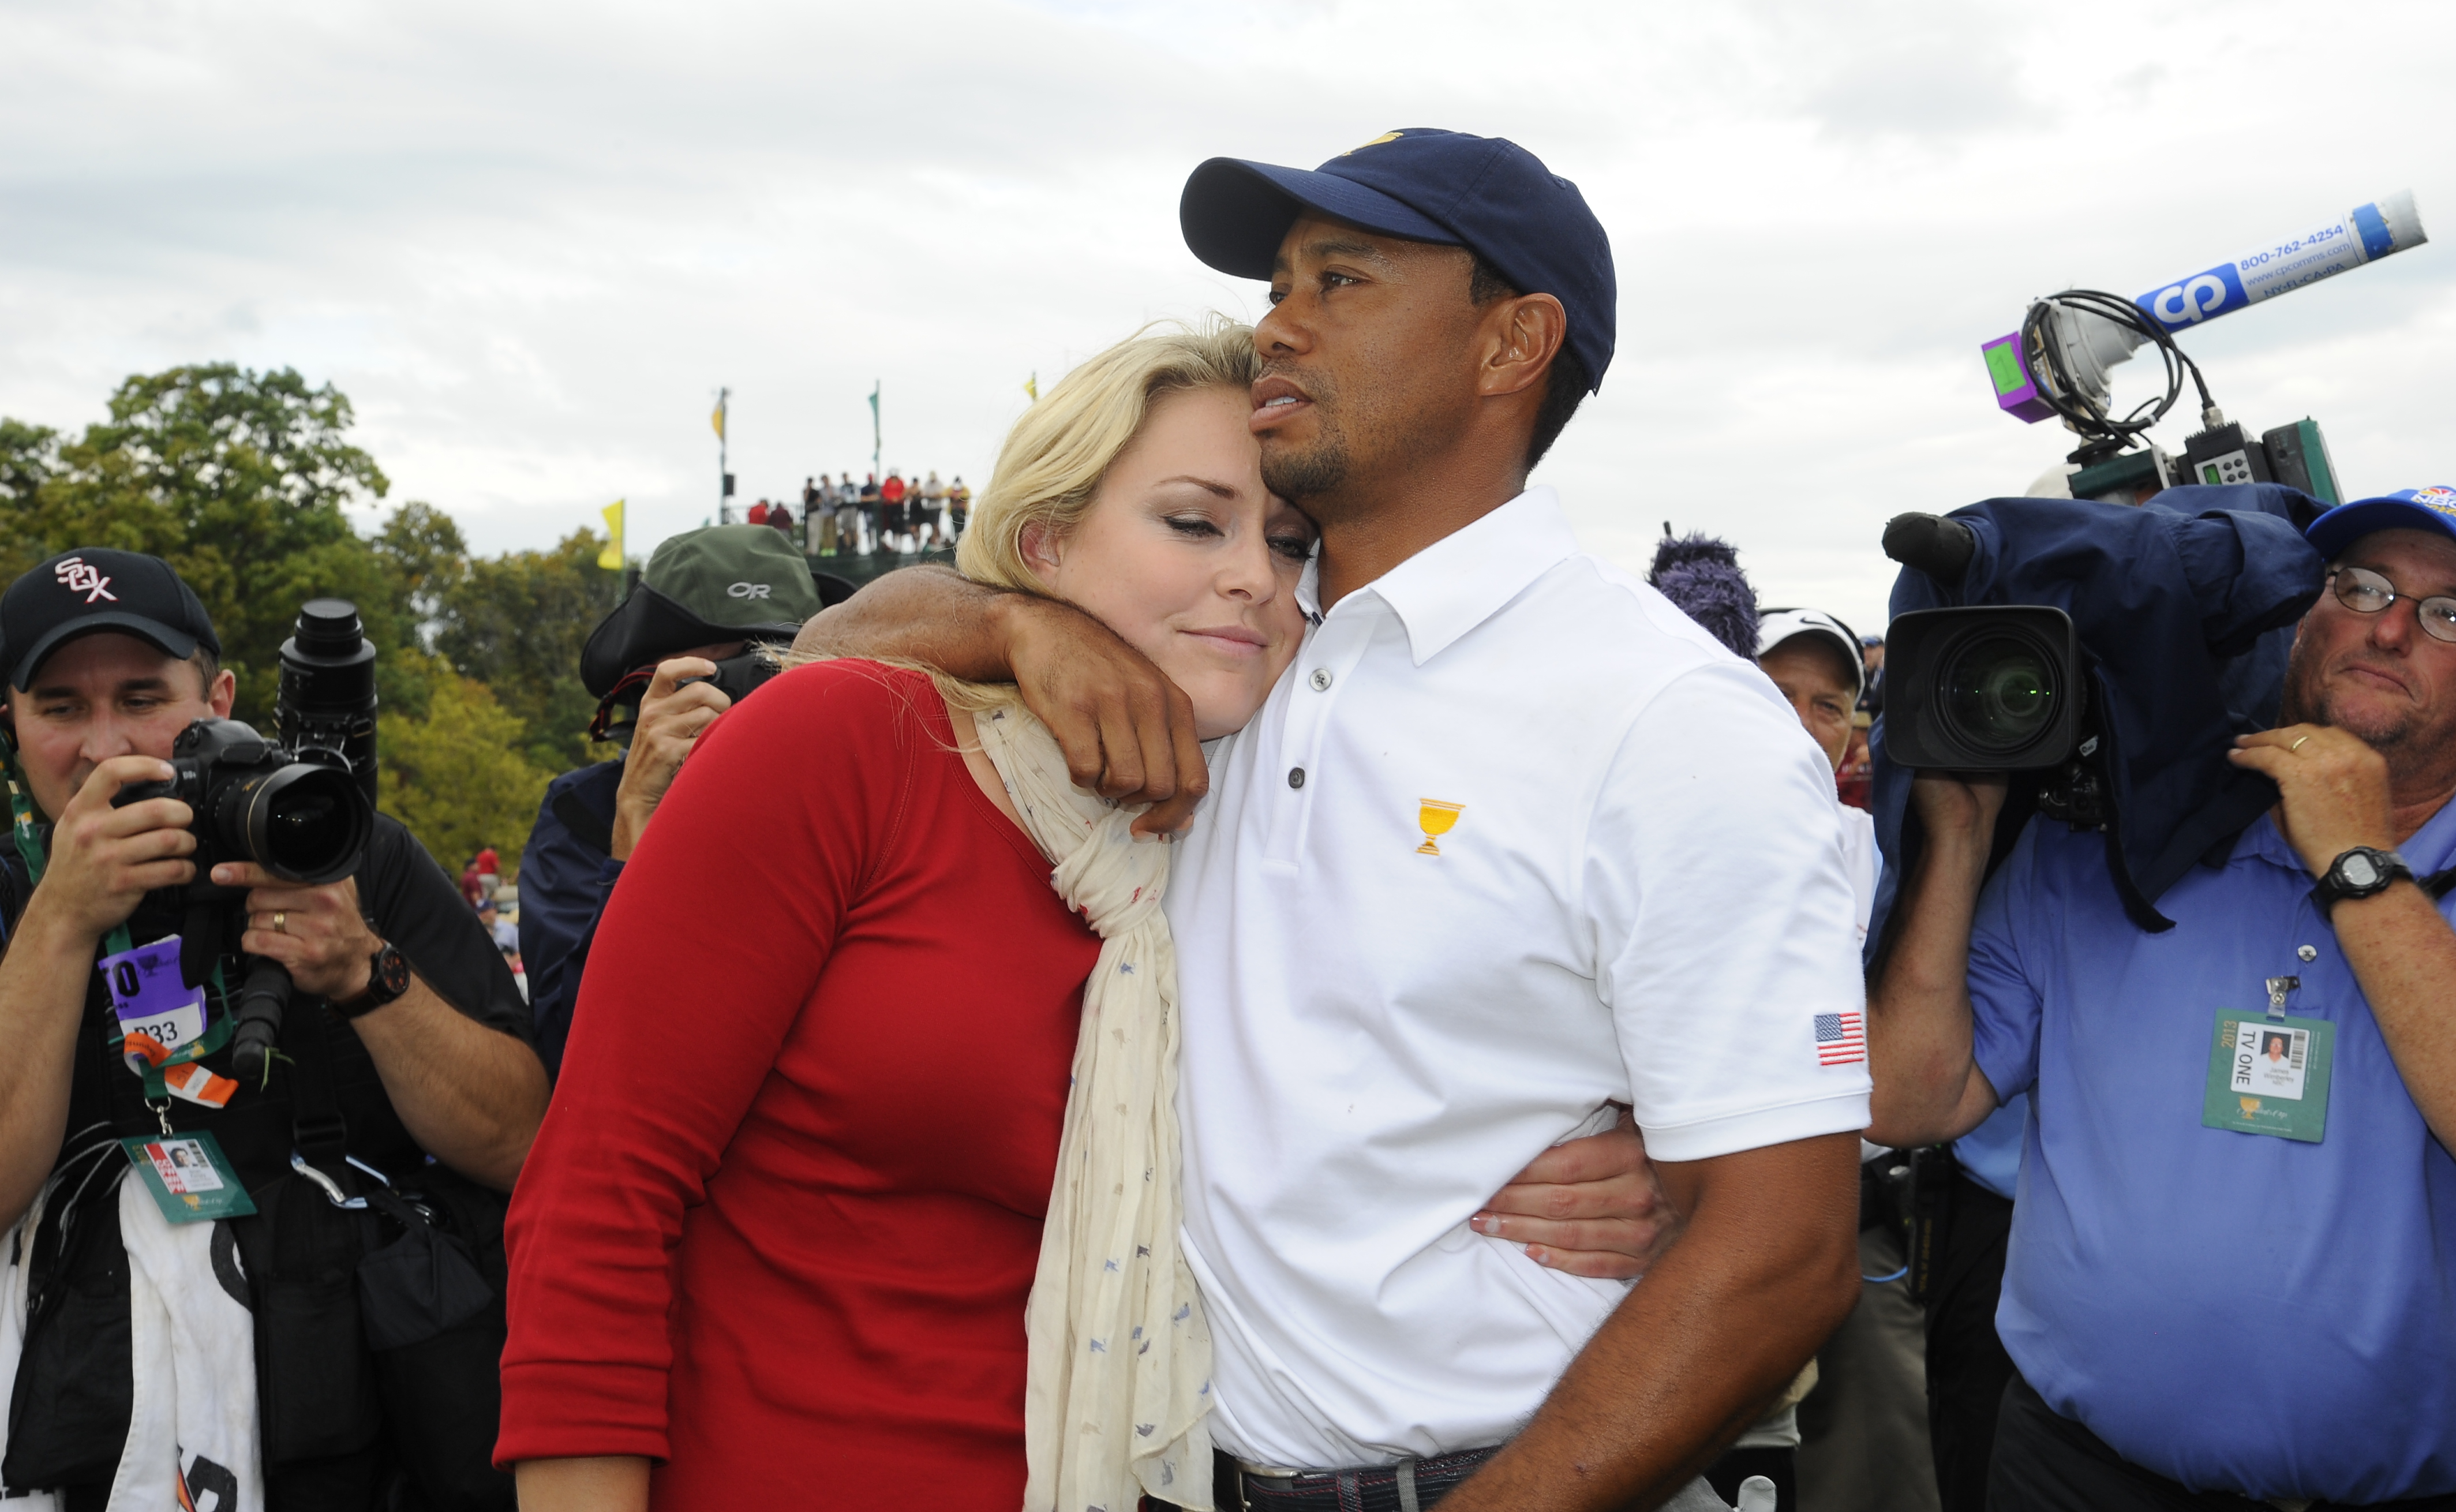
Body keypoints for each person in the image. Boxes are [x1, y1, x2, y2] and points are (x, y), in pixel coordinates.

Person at [801, 128, 1868, 1512]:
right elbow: (831, 642)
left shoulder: (1665, 716)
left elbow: (1783, 1253)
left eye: (1342, 279)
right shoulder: (1237, 662)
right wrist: (1011, 619)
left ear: (1512, 344)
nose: (1277, 327)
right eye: (1278, 283)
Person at [499, 321, 1660, 1511]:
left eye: (1291, 544)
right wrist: (1008, 625)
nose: (1254, 577)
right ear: (1044, 542)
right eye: (1192, 522)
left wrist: (1646, 1157)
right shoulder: (849, 744)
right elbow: (600, 1191)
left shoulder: (1268, 811)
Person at [1868, 486, 2456, 1509]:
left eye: (2450, 612)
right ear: (2294, 618)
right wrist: (1957, 837)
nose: (2390, 628)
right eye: (2357, 587)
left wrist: (2358, 858)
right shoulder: (2114, 846)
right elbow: (1906, 1101)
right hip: (2075, 1475)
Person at [0, 547, 546, 1509]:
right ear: (10, 721)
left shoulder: (343, 845)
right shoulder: (14, 890)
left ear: (218, 696)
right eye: (60, 707)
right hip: (85, 1411)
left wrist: (364, 974)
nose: (104, 746)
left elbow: (524, 1145)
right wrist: (59, 917)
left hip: (361, 1406)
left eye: (141, 696)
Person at [514, 523, 822, 1077]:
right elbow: (575, 1057)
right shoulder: (582, 814)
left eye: (776, 668)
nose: (754, 697)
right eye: (723, 674)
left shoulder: (862, 806)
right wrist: (635, 827)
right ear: (647, 691)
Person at [1756, 608, 1937, 1512]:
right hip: (1687, 1227)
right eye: (1777, 693)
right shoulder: (1636, 832)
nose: (1803, 723)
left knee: (1883, 1477)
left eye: (1829, 705)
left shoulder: (1877, 852)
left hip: (1852, 1228)